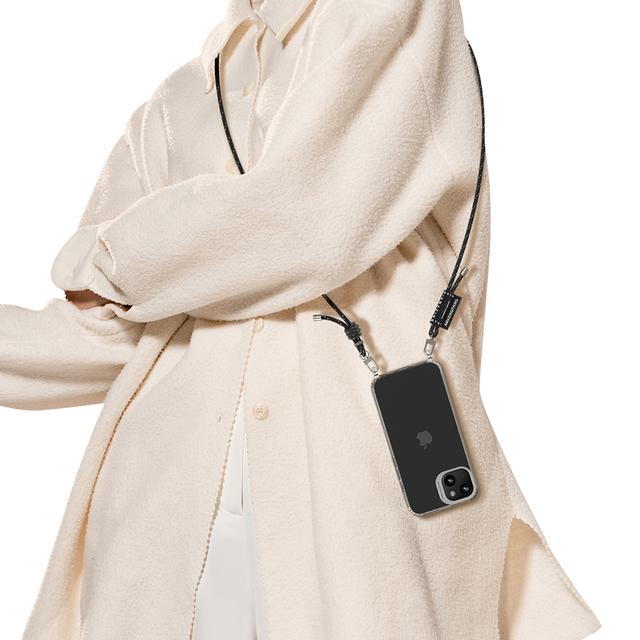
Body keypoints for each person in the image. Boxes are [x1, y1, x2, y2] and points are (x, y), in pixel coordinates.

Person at [1, 0, 601, 638]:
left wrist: (107, 259)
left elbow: (305, 219)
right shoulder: (175, 105)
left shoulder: (396, 14)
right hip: (162, 510)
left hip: (355, 502)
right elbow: (115, 329)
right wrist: (126, 279)